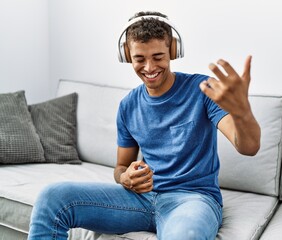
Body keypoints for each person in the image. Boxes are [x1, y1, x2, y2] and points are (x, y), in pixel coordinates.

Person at [28, 11, 260, 240]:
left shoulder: (203, 89)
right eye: (140, 59)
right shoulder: (129, 105)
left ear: (173, 51)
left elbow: (248, 147)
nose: (149, 67)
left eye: (158, 57)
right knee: (53, 198)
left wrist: (242, 113)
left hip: (192, 199)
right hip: (140, 199)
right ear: (127, 56)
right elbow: (121, 166)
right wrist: (125, 178)